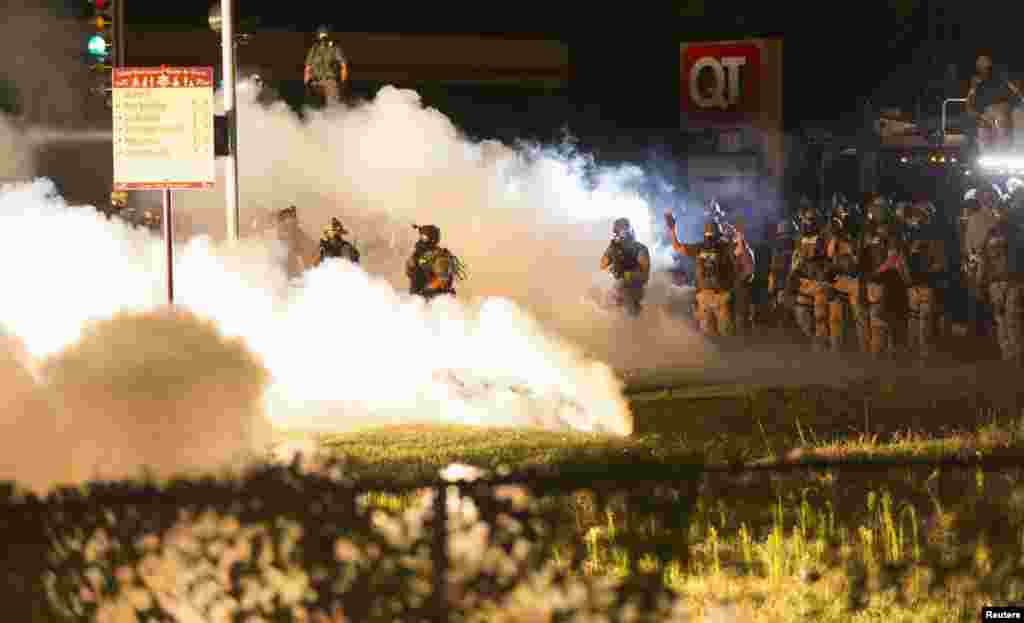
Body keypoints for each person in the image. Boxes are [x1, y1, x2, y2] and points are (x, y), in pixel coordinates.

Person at [664, 212, 735, 336]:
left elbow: (676, 247)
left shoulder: (700, 247)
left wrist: (672, 229)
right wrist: (731, 232)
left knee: (709, 335)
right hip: (719, 295)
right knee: (726, 333)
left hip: (705, 295)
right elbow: (740, 254)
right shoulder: (725, 247)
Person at [859, 199, 909, 358]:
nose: (875, 213)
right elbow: (863, 259)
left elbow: (894, 258)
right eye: (874, 209)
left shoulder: (894, 230)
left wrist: (877, 273)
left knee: (887, 327)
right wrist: (863, 283)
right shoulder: (867, 232)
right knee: (873, 328)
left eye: (878, 209)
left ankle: (889, 363)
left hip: (890, 285)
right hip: (872, 283)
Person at [977, 199, 1024, 365]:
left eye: (1001, 211)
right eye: (998, 212)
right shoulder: (993, 232)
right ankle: (1009, 357)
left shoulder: (1016, 232)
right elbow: (983, 258)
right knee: (1003, 319)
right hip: (998, 281)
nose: (999, 215)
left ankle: (1016, 357)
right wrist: (981, 281)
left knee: (1011, 319)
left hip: (1011, 281)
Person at [904, 202, 948, 361]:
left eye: (920, 214)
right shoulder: (913, 235)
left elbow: (940, 262)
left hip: (925, 284)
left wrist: (928, 274)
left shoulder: (932, 235)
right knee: (916, 320)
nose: (917, 217)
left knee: (923, 321)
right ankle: (917, 354)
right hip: (916, 283)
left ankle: (924, 356)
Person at [785, 207, 831, 351]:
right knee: (802, 315)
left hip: (820, 282)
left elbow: (829, 259)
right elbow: (796, 259)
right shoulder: (800, 238)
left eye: (810, 220)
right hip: (803, 282)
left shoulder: (824, 238)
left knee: (820, 317)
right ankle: (814, 341)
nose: (806, 223)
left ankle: (822, 348)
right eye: (805, 220)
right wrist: (791, 277)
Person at [825, 202, 865, 353]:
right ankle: (836, 350)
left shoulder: (854, 239)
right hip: (838, 279)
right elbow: (829, 256)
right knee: (835, 319)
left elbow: (855, 261)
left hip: (852, 280)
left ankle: (864, 350)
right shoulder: (834, 239)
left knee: (859, 317)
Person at [966, 55, 1022, 154]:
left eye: (986, 67)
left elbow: (1016, 93)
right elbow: (970, 102)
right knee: (983, 124)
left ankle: (1005, 151)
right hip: (986, 112)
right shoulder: (975, 82)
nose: (983, 70)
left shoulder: (1001, 77)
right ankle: (985, 153)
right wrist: (978, 114)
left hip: (1003, 109)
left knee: (1003, 119)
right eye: (980, 67)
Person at [599, 217, 651, 317]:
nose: (621, 235)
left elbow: (644, 274)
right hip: (618, 290)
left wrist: (626, 275)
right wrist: (613, 250)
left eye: (623, 230)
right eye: (618, 232)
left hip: (633, 289)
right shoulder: (615, 248)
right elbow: (603, 264)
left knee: (629, 307)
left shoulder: (640, 248)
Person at [406, 224, 465, 300]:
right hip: (420, 297)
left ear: (432, 239)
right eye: (421, 236)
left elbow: (443, 278)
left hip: (436, 298)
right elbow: (410, 273)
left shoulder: (439, 256)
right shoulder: (418, 255)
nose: (421, 239)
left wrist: (427, 290)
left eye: (424, 237)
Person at [304, 26, 348, 105]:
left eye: (324, 35)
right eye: (321, 35)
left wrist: (342, 83)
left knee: (333, 107)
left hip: (330, 83)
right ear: (318, 36)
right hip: (316, 83)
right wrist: (306, 84)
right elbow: (308, 67)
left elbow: (343, 66)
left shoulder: (334, 48)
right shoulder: (314, 49)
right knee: (314, 109)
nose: (323, 38)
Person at [766, 218, 797, 329]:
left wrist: (772, 285)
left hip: (783, 283)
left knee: (783, 309)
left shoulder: (778, 245)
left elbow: (774, 267)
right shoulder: (795, 242)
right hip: (792, 283)